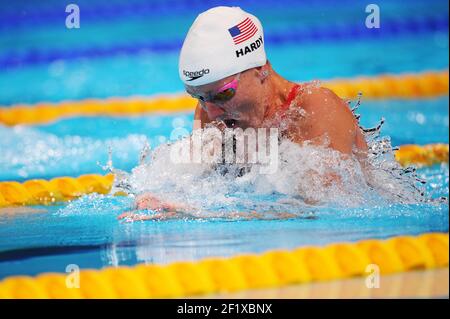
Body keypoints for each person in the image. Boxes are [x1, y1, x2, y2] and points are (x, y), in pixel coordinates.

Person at [118, 6, 368, 221]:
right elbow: (198, 185)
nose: (211, 112)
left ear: (260, 69)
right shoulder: (213, 113)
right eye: (199, 98)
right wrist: (161, 198)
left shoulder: (314, 109)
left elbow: (325, 210)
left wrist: (200, 213)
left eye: (223, 94)